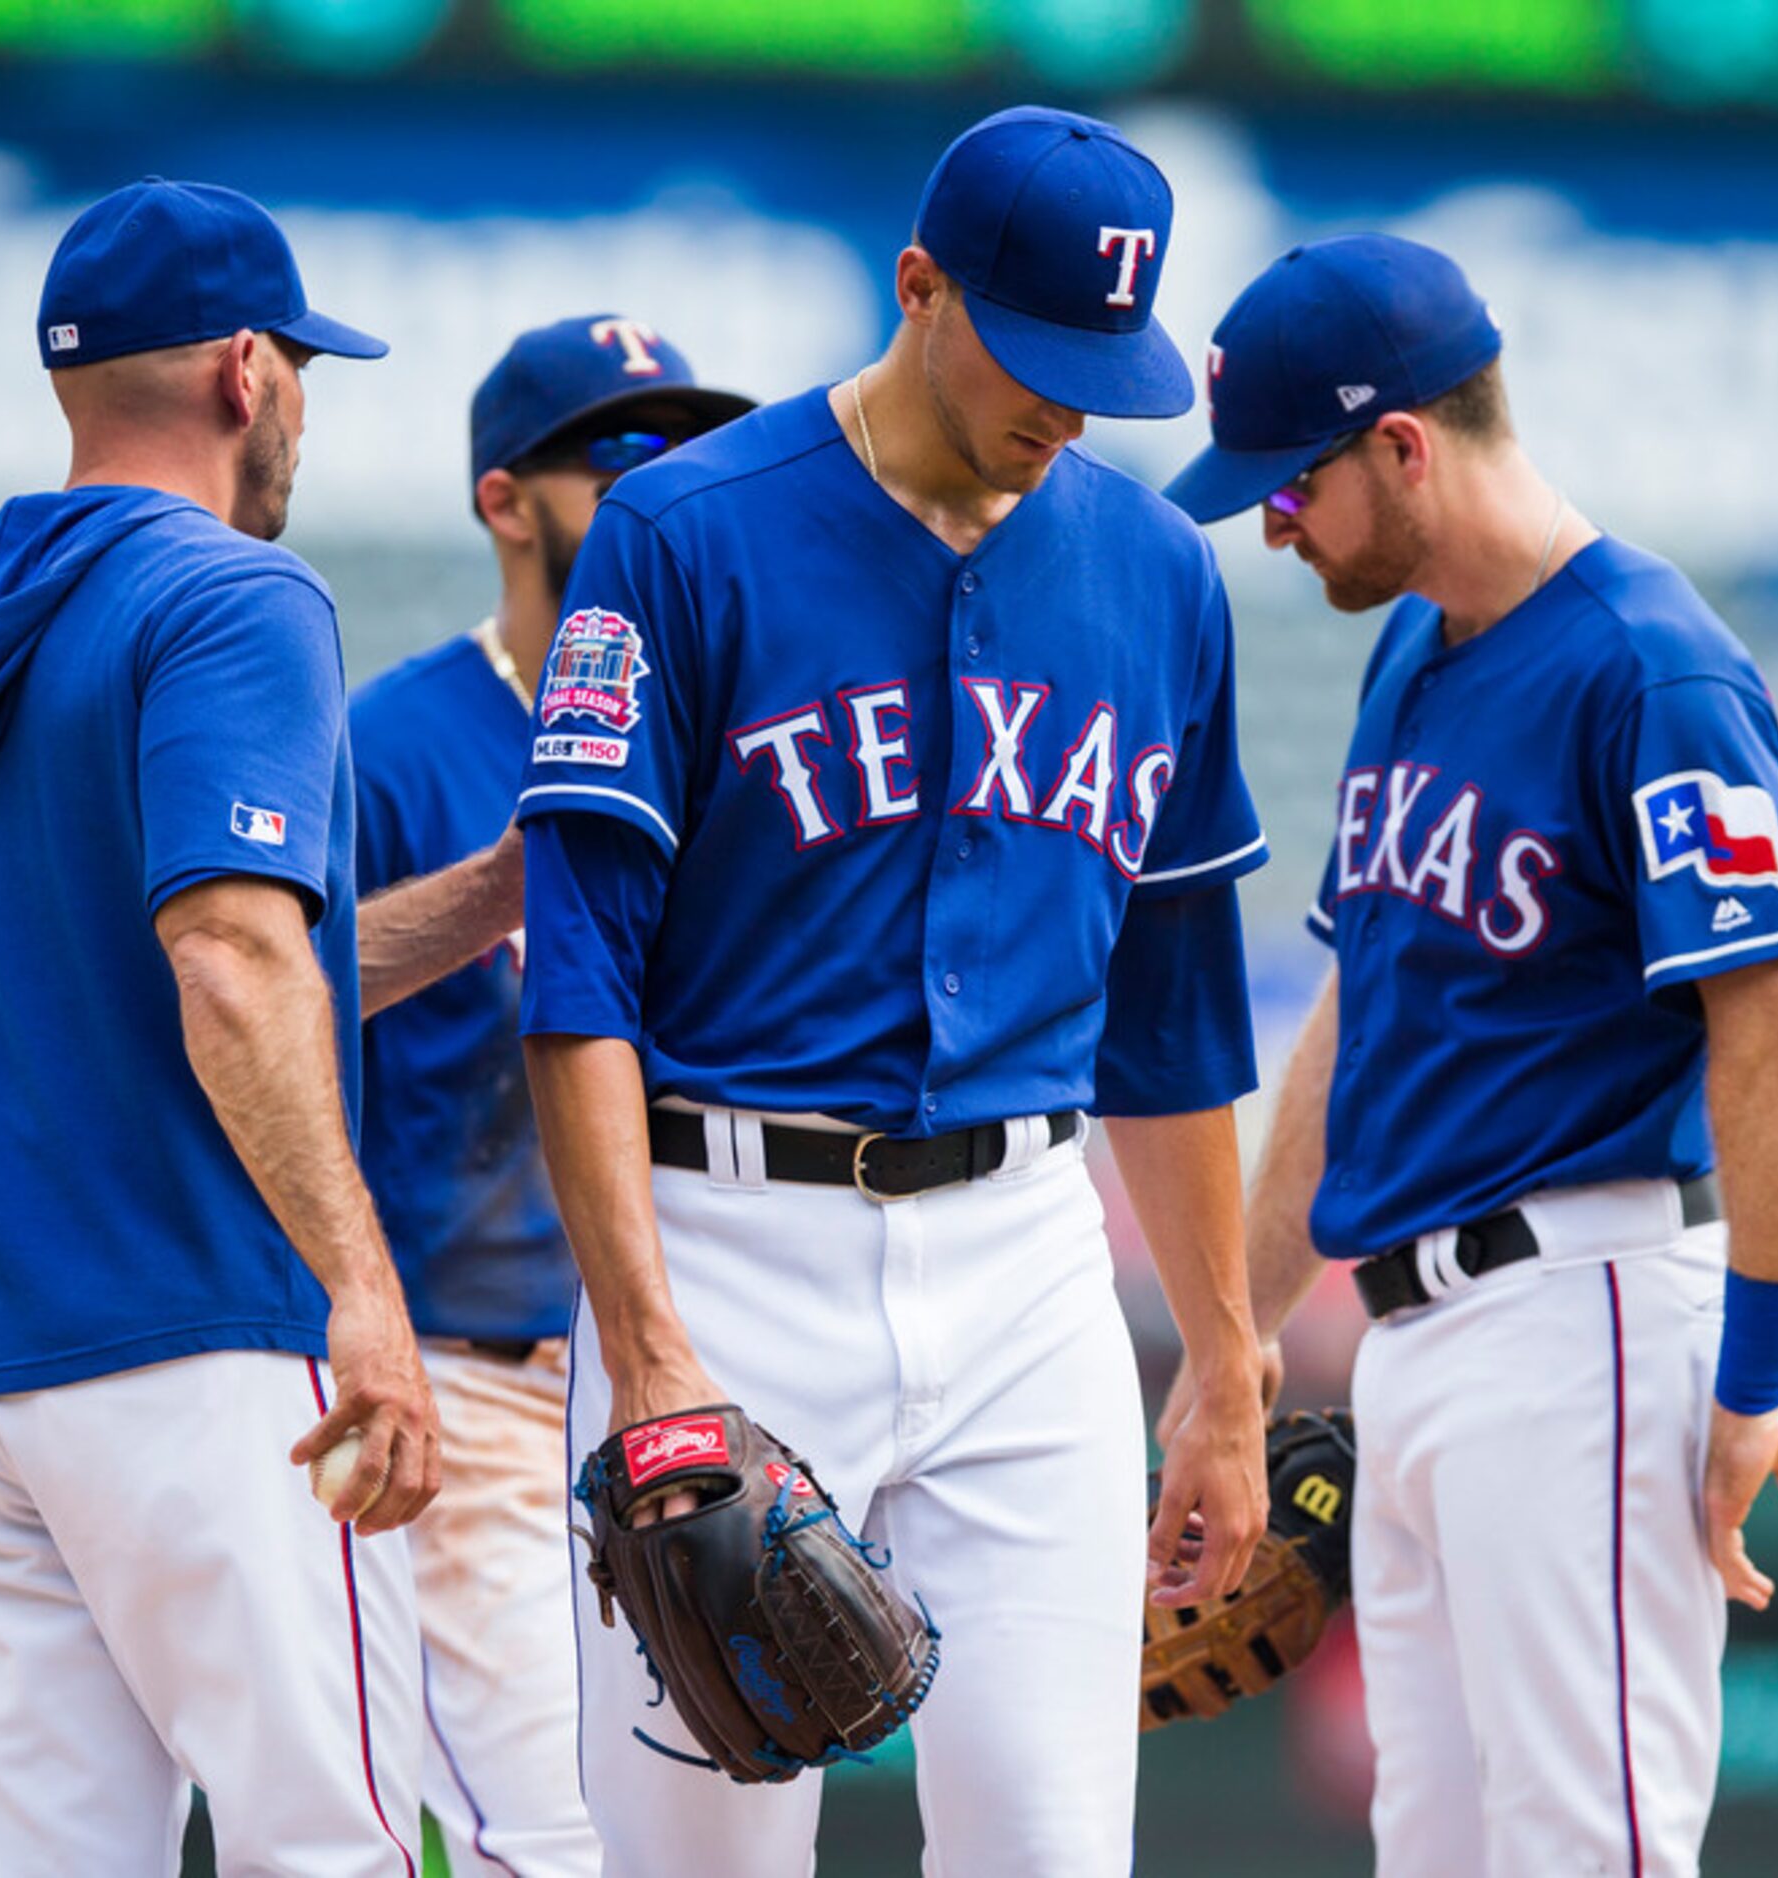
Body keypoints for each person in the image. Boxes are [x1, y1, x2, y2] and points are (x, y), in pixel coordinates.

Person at [514, 107, 1273, 1877]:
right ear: (918, 286)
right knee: (693, 1857)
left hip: (1027, 1261)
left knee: (1056, 1848)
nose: (1068, 407)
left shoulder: (1160, 573)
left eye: (1107, 364)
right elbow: (578, 983)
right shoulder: (685, 532)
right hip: (723, 1243)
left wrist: (1226, 1363)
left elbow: (1169, 1021)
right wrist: (647, 1355)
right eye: (1036, 351)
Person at [1159, 233, 1778, 1875]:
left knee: (1582, 1851)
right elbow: (1360, 1015)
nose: (1270, 516)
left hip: (1581, 1327)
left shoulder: (1648, 663)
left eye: (1289, 477)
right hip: (1412, 1353)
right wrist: (1232, 1346)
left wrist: (1753, 1378)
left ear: (1402, 443)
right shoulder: (1417, 646)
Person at [0, 178, 525, 1877]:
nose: (305, 401)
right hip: (204, 1345)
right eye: (303, 364)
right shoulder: (240, 598)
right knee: (335, 1849)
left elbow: (190, 968)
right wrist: (366, 1287)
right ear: (245, 368)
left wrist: (497, 890)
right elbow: (232, 968)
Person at [350, 314, 750, 1878]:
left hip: (686, 1377)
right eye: (621, 450)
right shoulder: (391, 741)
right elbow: (274, 1019)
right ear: (505, 499)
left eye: (692, 450)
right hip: (474, 1381)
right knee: (559, 1842)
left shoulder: (726, 725)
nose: (665, 481)